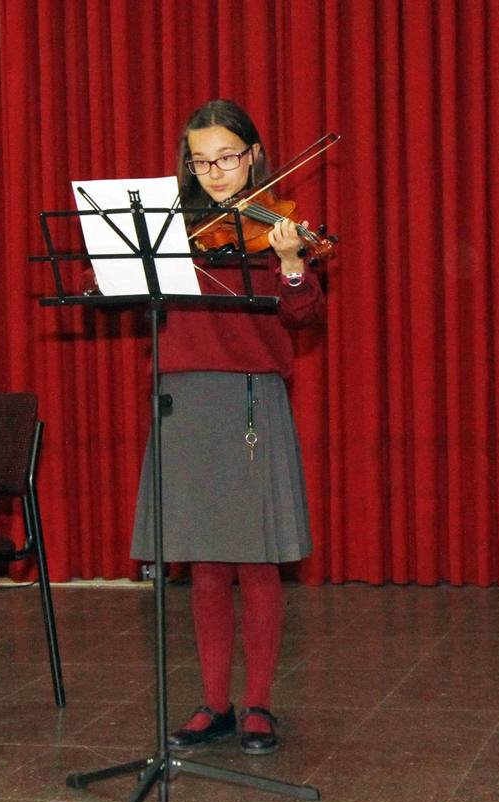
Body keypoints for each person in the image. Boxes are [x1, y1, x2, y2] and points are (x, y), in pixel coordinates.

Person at [130, 99, 327, 755]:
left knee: (257, 558)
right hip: (183, 397)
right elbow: (115, 285)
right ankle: (215, 703)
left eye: (227, 157)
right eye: (201, 160)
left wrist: (294, 264)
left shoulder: (278, 225)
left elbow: (302, 316)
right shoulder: (163, 225)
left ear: (253, 157)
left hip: (250, 396)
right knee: (205, 562)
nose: (215, 171)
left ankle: (260, 705)